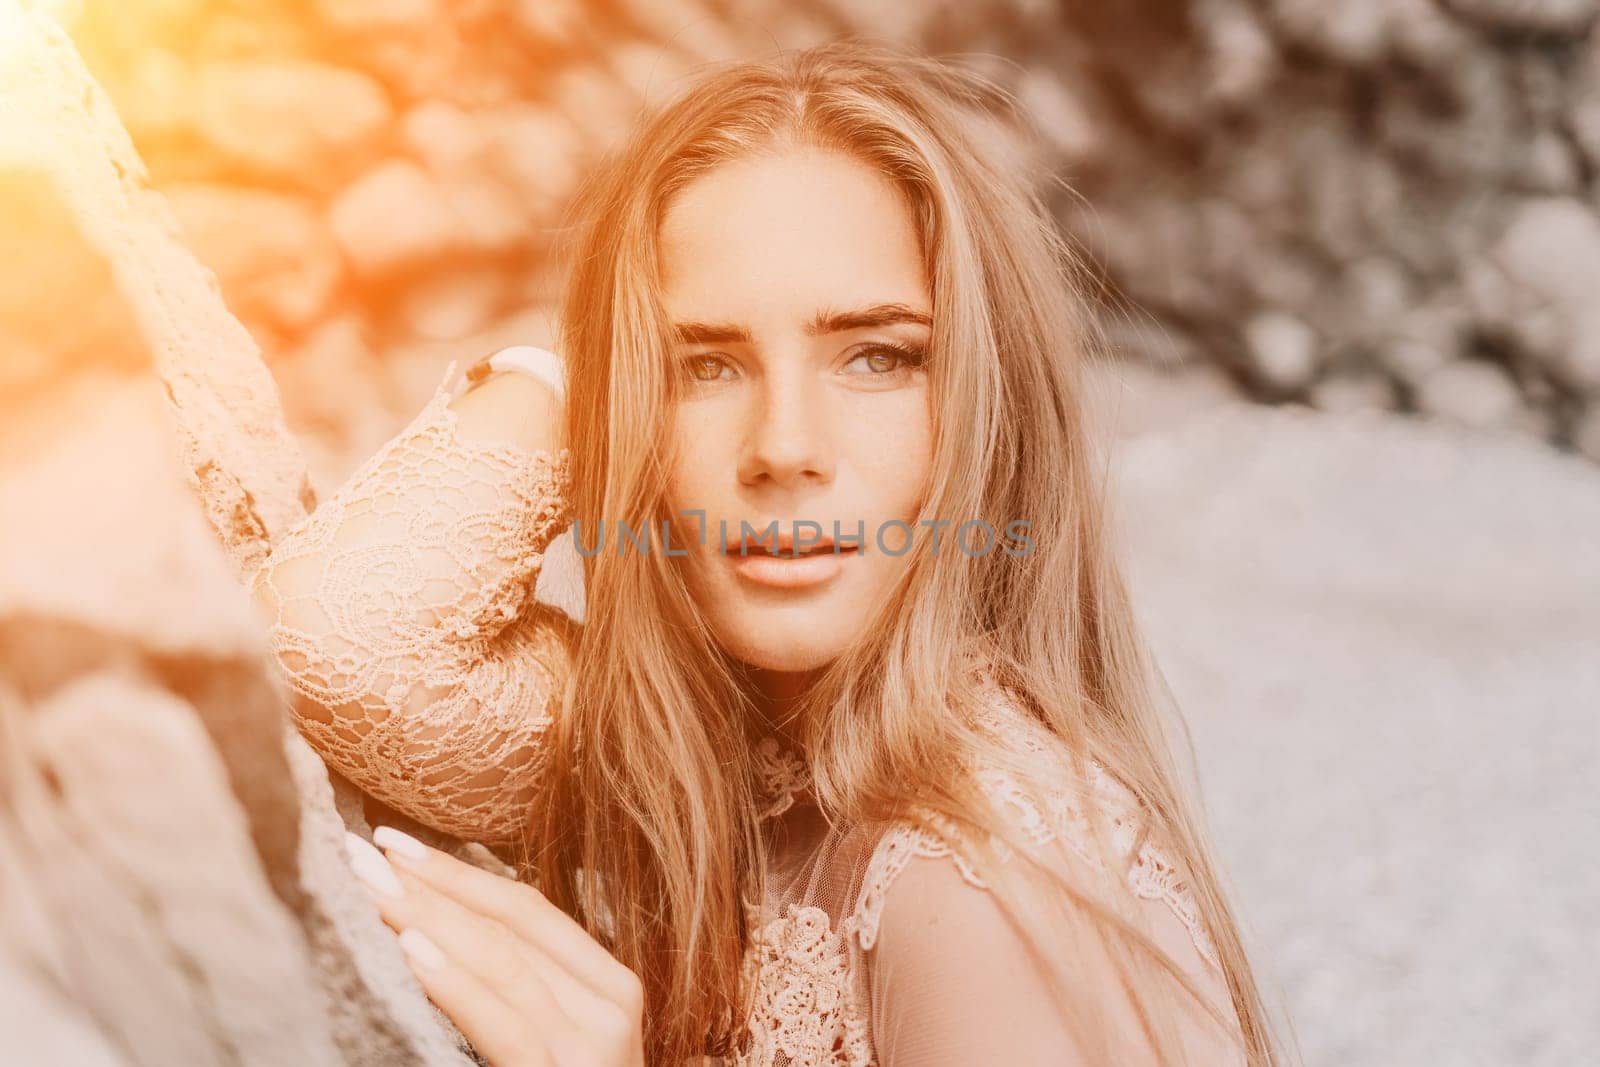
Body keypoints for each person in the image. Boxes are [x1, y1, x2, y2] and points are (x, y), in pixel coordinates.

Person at [251, 39, 1281, 1066]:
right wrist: (584, 374)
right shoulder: (705, 746)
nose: (784, 447)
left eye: (877, 356)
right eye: (705, 365)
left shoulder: (977, 880)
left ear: (985, 408)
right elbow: (341, 641)